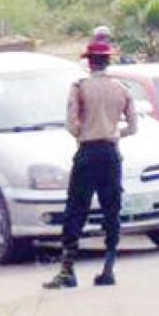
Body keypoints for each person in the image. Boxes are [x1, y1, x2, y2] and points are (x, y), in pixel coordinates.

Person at [43, 40, 138, 289]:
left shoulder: (79, 87)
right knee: (111, 209)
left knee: (76, 208)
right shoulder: (121, 89)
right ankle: (108, 268)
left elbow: (72, 124)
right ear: (108, 61)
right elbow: (134, 126)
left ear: (89, 61)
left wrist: (85, 132)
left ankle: (68, 269)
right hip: (110, 152)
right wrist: (113, 133)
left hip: (87, 151)